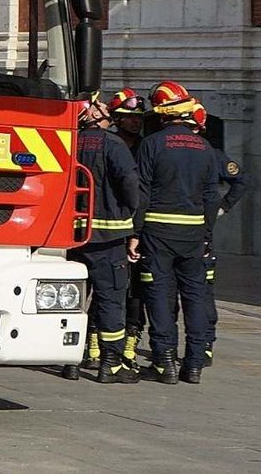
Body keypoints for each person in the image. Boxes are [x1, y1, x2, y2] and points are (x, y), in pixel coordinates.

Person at [129, 80, 226, 385]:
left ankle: (164, 363)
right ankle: (195, 363)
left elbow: (141, 192)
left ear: (161, 114)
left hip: (157, 231)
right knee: (196, 295)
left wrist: (135, 232)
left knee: (159, 294)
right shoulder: (206, 148)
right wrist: (207, 232)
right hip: (194, 232)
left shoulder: (151, 144)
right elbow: (212, 196)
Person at [60, 94, 141, 383]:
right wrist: (132, 216)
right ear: (92, 112)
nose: (106, 107)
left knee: (75, 301)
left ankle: (70, 361)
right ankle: (111, 364)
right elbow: (130, 184)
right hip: (108, 239)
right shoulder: (115, 145)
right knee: (110, 301)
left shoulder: (69, 142)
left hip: (72, 237)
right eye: (100, 104)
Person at [186, 99, 247, 368]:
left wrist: (223, 206)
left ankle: (199, 344)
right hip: (199, 234)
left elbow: (241, 180)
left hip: (179, 232)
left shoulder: (210, 153)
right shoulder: (208, 152)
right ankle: (202, 345)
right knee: (201, 291)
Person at [107, 87, 152, 368]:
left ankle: (131, 342)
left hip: (139, 228)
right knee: (108, 288)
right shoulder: (110, 144)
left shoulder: (146, 147)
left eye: (138, 118)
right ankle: (97, 345)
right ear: (117, 119)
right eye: (128, 117)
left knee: (137, 290)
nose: (135, 122)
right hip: (112, 226)